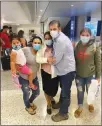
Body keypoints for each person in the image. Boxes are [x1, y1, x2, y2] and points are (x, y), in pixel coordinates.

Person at [47, 20, 76, 122]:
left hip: (67, 70)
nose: (52, 31)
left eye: (54, 29)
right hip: (63, 69)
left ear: (59, 29)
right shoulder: (56, 38)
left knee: (65, 92)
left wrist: (50, 61)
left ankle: (64, 113)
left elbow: (57, 58)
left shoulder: (61, 40)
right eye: (50, 29)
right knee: (63, 88)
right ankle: (61, 103)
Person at [10, 36, 42, 115]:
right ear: (32, 43)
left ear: (41, 44)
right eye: (35, 42)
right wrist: (16, 67)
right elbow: (13, 58)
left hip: (34, 77)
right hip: (24, 77)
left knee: (37, 92)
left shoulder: (41, 52)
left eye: (39, 43)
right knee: (26, 93)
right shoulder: (26, 49)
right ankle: (27, 106)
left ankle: (30, 102)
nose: (37, 44)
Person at [74, 28, 101, 118]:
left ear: (90, 36)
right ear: (80, 35)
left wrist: (98, 76)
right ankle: (80, 106)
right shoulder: (77, 45)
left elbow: (98, 62)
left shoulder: (94, 46)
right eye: (83, 35)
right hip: (79, 74)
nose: (85, 37)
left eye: (87, 35)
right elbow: (74, 59)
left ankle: (90, 104)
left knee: (90, 91)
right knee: (80, 91)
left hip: (90, 74)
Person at [36, 31, 59, 115]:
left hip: (55, 72)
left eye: (49, 38)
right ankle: (48, 104)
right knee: (46, 89)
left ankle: (52, 98)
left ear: (52, 39)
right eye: (46, 39)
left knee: (54, 89)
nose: (47, 40)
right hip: (45, 72)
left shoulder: (57, 48)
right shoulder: (42, 48)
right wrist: (46, 60)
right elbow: (37, 59)